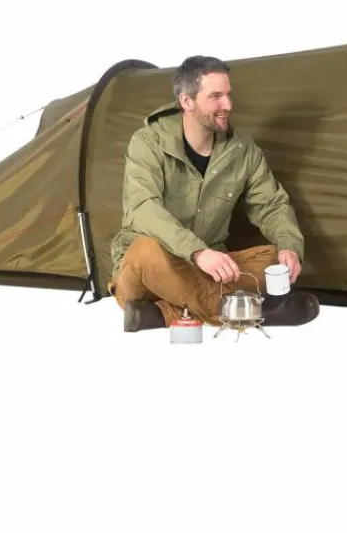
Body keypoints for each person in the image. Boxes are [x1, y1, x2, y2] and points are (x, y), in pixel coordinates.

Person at [108, 55, 320, 332]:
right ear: (187, 101)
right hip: (149, 270)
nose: (228, 105)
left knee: (275, 258)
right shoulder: (148, 143)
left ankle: (162, 313)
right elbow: (143, 208)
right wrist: (197, 252)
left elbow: (271, 204)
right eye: (216, 97)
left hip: (208, 270)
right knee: (146, 250)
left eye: (228, 95)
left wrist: (291, 247)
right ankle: (244, 312)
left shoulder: (242, 150)